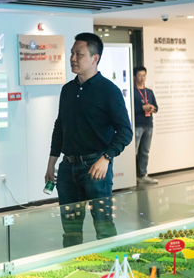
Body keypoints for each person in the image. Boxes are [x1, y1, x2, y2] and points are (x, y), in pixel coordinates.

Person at [44, 33, 132, 248]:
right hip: (67, 168)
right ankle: (75, 264)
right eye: (72, 53)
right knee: (70, 229)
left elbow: (125, 131)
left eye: (79, 54)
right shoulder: (67, 90)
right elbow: (60, 127)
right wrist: (51, 163)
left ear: (95, 58)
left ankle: (111, 264)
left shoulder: (109, 91)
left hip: (95, 167)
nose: (73, 58)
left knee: (103, 226)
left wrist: (106, 158)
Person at [133, 66, 158, 184]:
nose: (142, 78)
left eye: (144, 75)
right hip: (137, 125)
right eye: (139, 75)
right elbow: (131, 109)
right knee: (134, 151)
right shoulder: (133, 92)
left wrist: (152, 108)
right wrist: (143, 108)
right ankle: (132, 175)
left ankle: (143, 174)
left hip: (148, 125)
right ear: (134, 77)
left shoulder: (149, 92)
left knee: (145, 151)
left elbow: (156, 107)